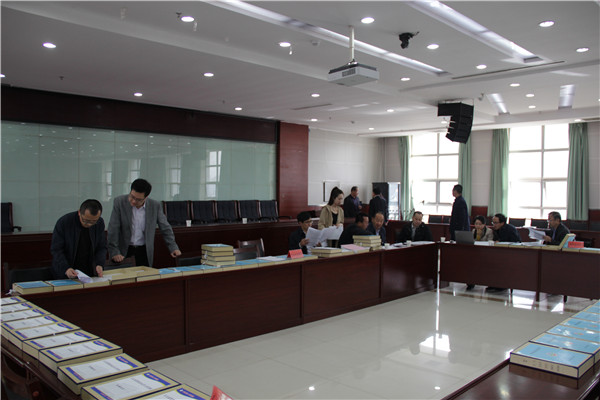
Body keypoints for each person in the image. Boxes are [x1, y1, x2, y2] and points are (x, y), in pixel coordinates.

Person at [108, 178, 181, 267]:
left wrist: (173, 247)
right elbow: (113, 228)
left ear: (146, 197)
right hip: (124, 251)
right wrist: (114, 251)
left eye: (138, 199)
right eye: (132, 197)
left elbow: (165, 228)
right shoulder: (120, 202)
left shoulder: (154, 206)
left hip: (144, 251)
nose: (133, 201)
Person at [51, 199, 106, 279]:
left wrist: (99, 264)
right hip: (65, 272)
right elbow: (56, 249)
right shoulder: (64, 222)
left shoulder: (99, 223)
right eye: (85, 221)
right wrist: (66, 268)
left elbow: (101, 247)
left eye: (93, 222)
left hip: (88, 272)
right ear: (79, 212)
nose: (89, 224)